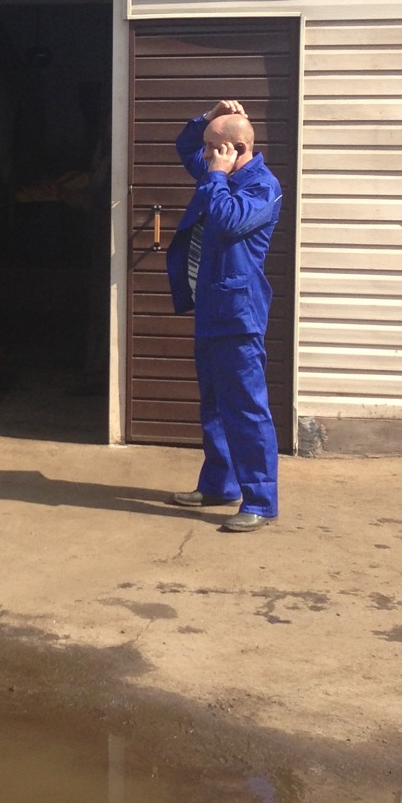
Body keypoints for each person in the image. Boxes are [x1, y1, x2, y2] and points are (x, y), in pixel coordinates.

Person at [166, 97, 283, 533]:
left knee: (247, 409)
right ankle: (220, 484)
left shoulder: (261, 187)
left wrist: (215, 174)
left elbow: (227, 222)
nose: (206, 154)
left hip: (239, 315)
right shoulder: (218, 168)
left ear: (235, 149)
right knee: (214, 405)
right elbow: (182, 146)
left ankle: (260, 500)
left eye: (214, 147)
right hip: (211, 308)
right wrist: (207, 117)